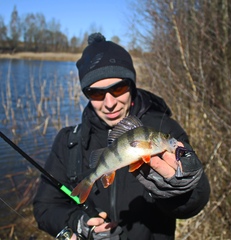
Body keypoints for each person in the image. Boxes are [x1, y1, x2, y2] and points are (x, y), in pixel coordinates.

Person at [33, 33, 210, 240]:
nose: (109, 103)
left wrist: (181, 189)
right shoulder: (69, 142)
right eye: (96, 93)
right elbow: (44, 207)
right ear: (86, 93)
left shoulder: (165, 128)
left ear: (131, 84)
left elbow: (198, 198)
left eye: (118, 88)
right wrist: (79, 224)